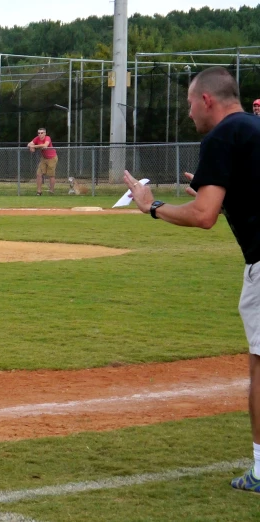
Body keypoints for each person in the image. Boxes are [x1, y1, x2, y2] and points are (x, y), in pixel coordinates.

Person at [123, 66, 260, 494]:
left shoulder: (221, 136)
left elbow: (204, 217)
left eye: (188, 104)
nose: (187, 114)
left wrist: (151, 206)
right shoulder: (254, 128)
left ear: (207, 100)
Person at [27, 127, 58, 195]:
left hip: (52, 158)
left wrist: (33, 146)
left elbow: (45, 145)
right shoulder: (37, 138)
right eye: (39, 133)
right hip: (44, 158)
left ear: (45, 133)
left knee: (51, 175)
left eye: (42, 133)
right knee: (39, 174)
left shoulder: (47, 138)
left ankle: (51, 191)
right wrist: (31, 147)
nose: (40, 134)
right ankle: (39, 191)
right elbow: (29, 144)